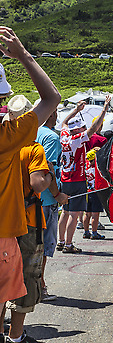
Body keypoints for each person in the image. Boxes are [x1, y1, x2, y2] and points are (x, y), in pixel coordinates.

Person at [0, 26, 61, 343]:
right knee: (20, 285)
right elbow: (52, 97)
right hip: (13, 229)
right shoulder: (11, 138)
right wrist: (22, 54)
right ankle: (16, 335)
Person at [3, 98, 54, 343]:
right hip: (29, 220)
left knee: (3, 278)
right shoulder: (33, 147)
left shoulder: (6, 142)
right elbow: (37, 183)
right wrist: (49, 176)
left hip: (5, 221)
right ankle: (16, 334)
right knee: (26, 277)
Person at [57, 97, 111, 254]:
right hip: (77, 180)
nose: (83, 130)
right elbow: (93, 129)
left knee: (65, 212)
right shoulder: (76, 139)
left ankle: (60, 242)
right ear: (77, 130)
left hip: (65, 179)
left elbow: (64, 122)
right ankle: (68, 244)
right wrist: (104, 110)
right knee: (73, 215)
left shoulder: (64, 135)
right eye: (81, 128)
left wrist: (76, 110)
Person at [35, 106, 69, 302]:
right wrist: (57, 195)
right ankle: (40, 286)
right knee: (43, 249)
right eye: (55, 111)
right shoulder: (52, 138)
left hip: (30, 198)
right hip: (46, 200)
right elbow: (48, 169)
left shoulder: (33, 131)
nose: (57, 115)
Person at [82, 149, 105, 240]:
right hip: (96, 193)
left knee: (87, 214)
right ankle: (94, 233)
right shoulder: (98, 168)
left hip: (87, 192)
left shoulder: (86, 167)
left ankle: (86, 232)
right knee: (95, 214)